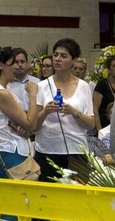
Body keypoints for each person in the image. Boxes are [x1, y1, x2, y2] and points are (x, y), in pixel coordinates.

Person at [0, 46, 42, 221]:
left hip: (1, 152)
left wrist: (17, 125)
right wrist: (33, 93)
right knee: (16, 207)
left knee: (9, 205)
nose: (16, 67)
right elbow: (31, 124)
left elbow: (10, 121)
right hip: (9, 152)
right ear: (0, 65)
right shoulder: (1, 92)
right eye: (11, 63)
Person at [35, 38, 95, 181]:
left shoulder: (83, 86)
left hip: (76, 151)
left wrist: (76, 113)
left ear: (73, 60)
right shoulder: (42, 86)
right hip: (47, 150)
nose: (58, 59)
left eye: (63, 56)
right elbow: (33, 125)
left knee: (76, 197)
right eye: (55, 55)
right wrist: (45, 111)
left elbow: (91, 124)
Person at [92, 55, 115, 133]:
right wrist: (100, 131)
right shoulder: (102, 84)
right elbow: (95, 110)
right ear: (108, 69)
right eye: (114, 65)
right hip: (105, 127)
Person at [7, 48, 40, 112]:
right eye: (16, 62)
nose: (20, 65)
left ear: (27, 63)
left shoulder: (37, 82)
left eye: (22, 62)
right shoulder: (6, 85)